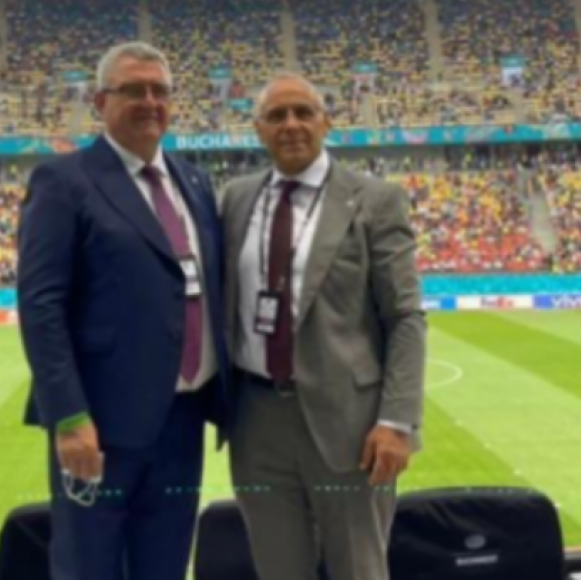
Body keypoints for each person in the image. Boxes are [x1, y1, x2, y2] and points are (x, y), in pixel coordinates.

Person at [15, 41, 231, 580]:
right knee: (89, 565)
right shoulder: (64, 181)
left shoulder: (194, 181)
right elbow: (41, 305)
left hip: (183, 419)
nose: (150, 101)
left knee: (165, 564)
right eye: (133, 90)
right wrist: (68, 416)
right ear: (100, 101)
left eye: (160, 91)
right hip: (101, 423)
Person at [220, 71, 427, 580]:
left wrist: (398, 421)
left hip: (351, 426)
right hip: (256, 422)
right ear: (258, 129)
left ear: (326, 122)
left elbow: (404, 316)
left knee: (359, 568)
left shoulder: (375, 199)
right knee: (278, 569)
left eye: (303, 112)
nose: (291, 124)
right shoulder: (235, 199)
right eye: (276, 116)